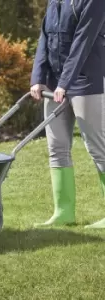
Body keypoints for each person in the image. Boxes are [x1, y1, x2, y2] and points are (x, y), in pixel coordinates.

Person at [30, 0, 105, 228]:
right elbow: (44, 39)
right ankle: (63, 212)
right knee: (57, 147)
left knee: (98, 148)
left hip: (86, 82)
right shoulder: (55, 2)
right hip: (55, 85)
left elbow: (83, 42)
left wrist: (65, 83)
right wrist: (38, 78)